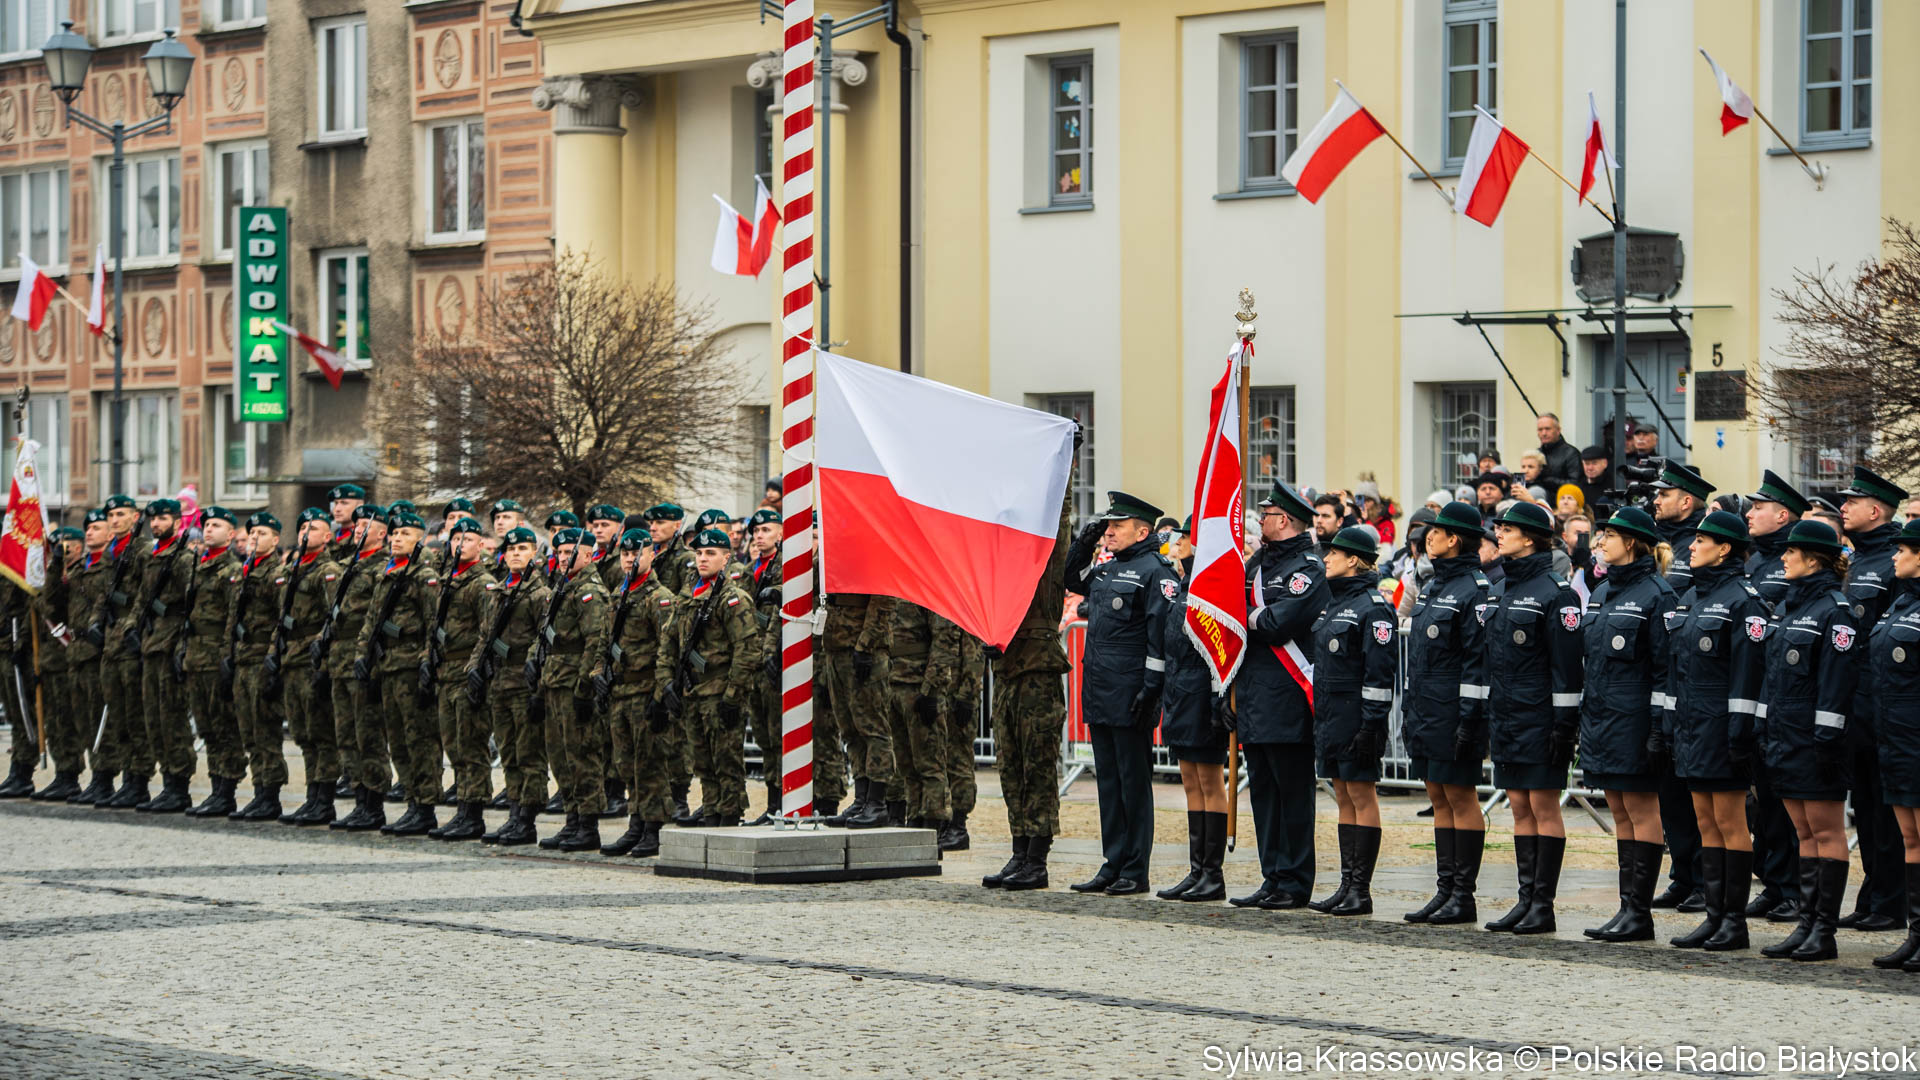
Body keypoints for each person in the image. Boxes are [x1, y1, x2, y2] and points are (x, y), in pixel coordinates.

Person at [1657, 510, 1770, 951]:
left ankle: (1734, 922)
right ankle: (1714, 914)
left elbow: (1747, 675)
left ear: (1725, 549)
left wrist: (1740, 733)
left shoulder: (1744, 601)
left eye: (1702, 541)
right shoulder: (1691, 598)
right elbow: (1676, 671)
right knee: (1706, 822)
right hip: (1691, 727)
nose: (1693, 548)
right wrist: (1670, 723)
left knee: (1729, 821)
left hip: (1722, 729)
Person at [1062, 490, 1177, 897]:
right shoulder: (1109, 568)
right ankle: (1112, 863)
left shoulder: (1156, 571)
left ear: (1142, 530)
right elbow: (1070, 579)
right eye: (1108, 525)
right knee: (1108, 782)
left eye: (1117, 525)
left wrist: (1151, 690)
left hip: (1131, 691)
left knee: (1133, 782)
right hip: (1100, 687)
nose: (1110, 532)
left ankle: (1135, 868)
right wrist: (1085, 540)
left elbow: (1159, 636)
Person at [1756, 519, 1859, 962]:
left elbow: (1836, 684)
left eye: (1791, 552)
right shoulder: (1790, 607)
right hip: (1786, 736)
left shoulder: (1835, 611)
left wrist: (1826, 740)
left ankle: (1825, 930)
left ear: (1812, 559)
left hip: (1817, 741)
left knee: (1826, 830)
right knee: (1803, 832)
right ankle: (1806, 922)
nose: (1782, 558)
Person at [1479, 501, 1584, 935]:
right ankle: (1525, 899)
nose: (1499, 533)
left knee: (1542, 807)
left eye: (1508, 528)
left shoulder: (1556, 592)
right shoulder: (1501, 588)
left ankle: (1544, 904)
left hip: (1541, 717)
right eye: (1499, 527)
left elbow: (1567, 666)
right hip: (1508, 715)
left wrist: (1564, 726)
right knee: (1518, 806)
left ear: (1531, 538)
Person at [1230, 481, 1328, 911]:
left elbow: (1278, 623)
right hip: (1253, 693)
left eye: (1266, 514)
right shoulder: (1258, 563)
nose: (1260, 520)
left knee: (1292, 795)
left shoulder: (1307, 568)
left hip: (1288, 695)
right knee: (1264, 795)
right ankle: (1272, 876)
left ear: (1284, 519)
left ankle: (1294, 880)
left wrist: (1246, 616)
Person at [1402, 501, 1493, 925]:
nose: (1427, 538)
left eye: (1434, 532)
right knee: (1437, 795)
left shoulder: (1474, 588)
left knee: (1459, 795)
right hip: (1427, 708)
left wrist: (1470, 719)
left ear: (1453, 539)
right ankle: (1445, 889)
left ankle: (1464, 894)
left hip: (1454, 712)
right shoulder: (1436, 584)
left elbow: (1477, 661)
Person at [1305, 526, 1398, 916]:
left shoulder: (1373, 607)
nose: (1326, 559)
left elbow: (1379, 676)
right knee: (1342, 795)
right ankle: (1346, 883)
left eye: (1334, 554)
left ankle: (1361, 888)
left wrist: (1371, 726)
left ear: (1354, 560)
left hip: (1358, 718)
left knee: (1361, 795)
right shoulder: (1335, 603)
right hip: (1332, 716)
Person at [981, 494, 1072, 892]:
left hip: (1037, 671)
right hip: (1006, 672)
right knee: (1010, 767)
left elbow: (1061, 521)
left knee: (1037, 767)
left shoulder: (1045, 568)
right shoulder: (1002, 572)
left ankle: (1037, 857)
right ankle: (1019, 851)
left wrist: (1064, 465)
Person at [1836, 465, 1910, 933]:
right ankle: (1871, 894)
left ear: (1876, 510)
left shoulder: (1893, 562)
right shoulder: (1857, 560)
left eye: (1851, 501)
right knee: (1864, 805)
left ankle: (1891, 901)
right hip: (1853, 702)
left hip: (1881, 701)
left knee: (1886, 809)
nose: (1842, 507)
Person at [654, 527, 760, 829]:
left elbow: (747, 650)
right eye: (699, 553)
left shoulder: (734, 599)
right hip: (692, 691)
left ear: (726, 559)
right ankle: (711, 809)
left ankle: (729, 815)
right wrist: (666, 684)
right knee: (702, 760)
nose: (703, 558)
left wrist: (732, 696)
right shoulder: (687, 598)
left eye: (710, 553)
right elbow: (668, 644)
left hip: (720, 691)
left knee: (726, 760)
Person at [1743, 469, 1811, 922]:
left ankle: (1791, 889)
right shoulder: (1754, 562)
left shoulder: (1795, 562)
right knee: (1763, 799)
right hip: (1754, 689)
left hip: (1785, 692)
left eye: (1759, 507)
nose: (1750, 514)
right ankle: (1771, 881)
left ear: (1781, 514)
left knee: (1786, 801)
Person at [1154, 518, 1229, 903]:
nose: (1177, 542)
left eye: (1184, 536)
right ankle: (1196, 868)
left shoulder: (1210, 589)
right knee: (1189, 781)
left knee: (1210, 782)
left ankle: (1212, 874)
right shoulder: (1183, 586)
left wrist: (1220, 700)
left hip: (1203, 693)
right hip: (1181, 694)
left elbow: (1219, 651)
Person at [355, 511, 439, 836]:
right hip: (387, 666)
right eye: (393, 533)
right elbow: (372, 621)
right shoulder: (388, 574)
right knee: (399, 741)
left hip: (410, 666)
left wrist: (427, 663)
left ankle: (426, 807)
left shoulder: (423, 576)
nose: (396, 538)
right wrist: (363, 654)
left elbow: (434, 624)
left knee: (420, 740)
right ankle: (411, 801)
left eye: (405, 533)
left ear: (420, 538)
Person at [591, 529, 674, 856]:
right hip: (620, 691)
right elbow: (603, 642)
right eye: (624, 553)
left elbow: (668, 648)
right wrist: (598, 672)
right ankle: (636, 823)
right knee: (626, 764)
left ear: (652, 555)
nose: (629, 558)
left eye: (635, 553)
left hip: (645, 692)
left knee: (649, 763)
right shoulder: (618, 594)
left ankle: (654, 827)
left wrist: (660, 696)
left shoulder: (660, 597)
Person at [531, 528, 614, 852]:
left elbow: (595, 643)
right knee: (560, 756)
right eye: (560, 553)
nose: (564, 558)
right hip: (554, 681)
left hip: (573, 685)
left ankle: (588, 824)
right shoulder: (562, 587)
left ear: (589, 554)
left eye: (570, 552)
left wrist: (584, 688)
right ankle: (572, 819)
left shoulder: (589, 591)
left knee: (582, 755)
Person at [470, 526, 552, 846]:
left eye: (523, 549)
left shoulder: (539, 594)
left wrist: (538, 689)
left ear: (535, 555)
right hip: (500, 682)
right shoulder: (499, 590)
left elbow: (543, 643)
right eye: (511, 549)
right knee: (508, 752)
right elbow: (484, 636)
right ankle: (514, 812)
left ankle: (527, 819)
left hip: (523, 682)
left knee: (529, 752)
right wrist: (474, 668)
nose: (516, 553)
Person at [1867, 518, 1920, 971]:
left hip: (1917, 739)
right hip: (1895, 739)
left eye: (1902, 550)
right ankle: (1916, 934)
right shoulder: (1900, 604)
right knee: (1911, 839)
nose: (1894, 556)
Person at [426, 518, 498, 841]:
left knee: (472, 745)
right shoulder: (448, 581)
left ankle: (474, 813)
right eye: (456, 539)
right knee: (454, 745)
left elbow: (488, 632)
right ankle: (462, 809)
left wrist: (477, 672)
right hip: (445, 673)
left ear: (481, 546)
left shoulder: (482, 583)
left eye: (468, 540)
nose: (460, 545)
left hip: (467, 673)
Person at [327, 505, 394, 829]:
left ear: (382, 533)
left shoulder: (383, 567)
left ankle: (374, 802)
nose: (358, 528)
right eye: (357, 524)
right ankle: (358, 798)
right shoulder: (347, 566)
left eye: (367, 525)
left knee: (368, 734)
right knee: (346, 735)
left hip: (364, 659)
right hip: (339, 660)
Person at [275, 509, 342, 826]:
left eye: (313, 528)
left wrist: (324, 664)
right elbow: (282, 614)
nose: (305, 533)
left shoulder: (328, 571)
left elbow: (333, 620)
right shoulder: (292, 568)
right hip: (291, 657)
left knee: (320, 732)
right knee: (301, 732)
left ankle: (324, 799)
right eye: (302, 527)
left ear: (327, 537)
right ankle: (311, 796)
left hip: (311, 659)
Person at [131, 497, 195, 813]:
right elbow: (142, 600)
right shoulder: (151, 557)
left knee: (172, 717)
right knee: (153, 717)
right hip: (151, 642)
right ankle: (167, 780)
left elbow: (190, 606)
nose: (156, 524)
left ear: (177, 521)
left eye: (163, 519)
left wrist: (182, 646)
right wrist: (132, 628)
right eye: (153, 520)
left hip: (170, 644)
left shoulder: (183, 559)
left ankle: (179, 785)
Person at [225, 512, 287, 821]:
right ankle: (259, 789)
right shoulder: (243, 572)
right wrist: (228, 654)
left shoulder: (278, 574)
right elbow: (232, 619)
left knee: (265, 730)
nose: (253, 537)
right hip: (242, 658)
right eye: (251, 533)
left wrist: (273, 661)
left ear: (275, 540)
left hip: (262, 658)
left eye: (261, 533)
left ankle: (270, 795)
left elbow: (281, 620)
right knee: (248, 731)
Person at [821, 580, 897, 830]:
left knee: (873, 729)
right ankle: (862, 798)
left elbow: (884, 599)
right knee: (850, 730)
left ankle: (877, 802)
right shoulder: (830, 554)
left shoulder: (871, 550)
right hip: (836, 649)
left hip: (864, 653)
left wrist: (866, 645)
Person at [95, 494, 150, 810]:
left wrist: (131, 627)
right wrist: (95, 623)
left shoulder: (142, 551)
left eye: (120, 514)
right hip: (110, 643)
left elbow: (144, 597)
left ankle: (137, 780)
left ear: (134, 517)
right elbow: (103, 596)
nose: (114, 520)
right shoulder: (109, 553)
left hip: (131, 643)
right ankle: (126, 781)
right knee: (116, 716)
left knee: (134, 715)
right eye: (111, 515)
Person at [24, 527, 86, 802]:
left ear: (80, 548)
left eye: (68, 546)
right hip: (49, 659)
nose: (62, 553)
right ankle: (62, 774)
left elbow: (52, 609)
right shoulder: (53, 576)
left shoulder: (80, 575)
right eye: (57, 550)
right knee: (53, 720)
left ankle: (70, 774)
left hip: (69, 658)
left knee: (68, 719)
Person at [886, 600, 955, 836]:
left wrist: (931, 689)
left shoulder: (930, 589)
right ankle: (914, 822)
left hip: (920, 688)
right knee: (906, 765)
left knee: (930, 764)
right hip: (895, 683)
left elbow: (944, 640)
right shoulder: (897, 587)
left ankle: (933, 826)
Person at [1536, 413, 1582, 492]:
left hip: (1562, 500)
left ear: (1558, 430)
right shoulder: (1536, 454)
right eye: (1540, 429)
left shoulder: (1571, 453)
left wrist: (1549, 481)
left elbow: (1576, 483)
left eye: (1547, 429)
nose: (1543, 433)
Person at [326, 483, 367, 560]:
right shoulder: (328, 537)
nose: (337, 509)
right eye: (336, 503)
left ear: (359, 506)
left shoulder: (364, 537)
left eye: (344, 503)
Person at [1577, 445, 1613, 515]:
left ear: (1605, 463)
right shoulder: (1578, 486)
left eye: (1594, 463)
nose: (1590, 468)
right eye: (1587, 464)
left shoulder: (1612, 487)